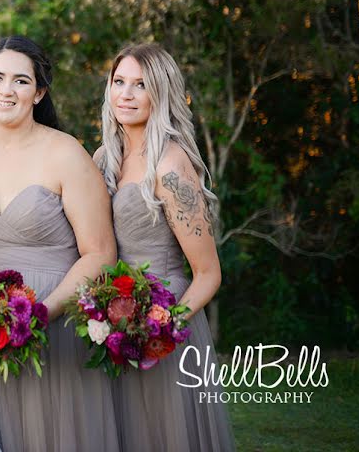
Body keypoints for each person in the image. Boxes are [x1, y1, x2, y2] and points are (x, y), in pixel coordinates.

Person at [0, 35, 119, 452]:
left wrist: (42, 313)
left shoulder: (65, 153)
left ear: (38, 92)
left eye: (21, 81)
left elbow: (99, 252)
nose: (6, 90)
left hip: (58, 324)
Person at [96, 42, 235, 451]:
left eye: (140, 85)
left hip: (167, 322)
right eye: (119, 82)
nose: (126, 93)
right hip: (114, 324)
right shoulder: (105, 157)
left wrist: (160, 328)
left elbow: (209, 274)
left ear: (161, 92)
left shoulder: (171, 165)